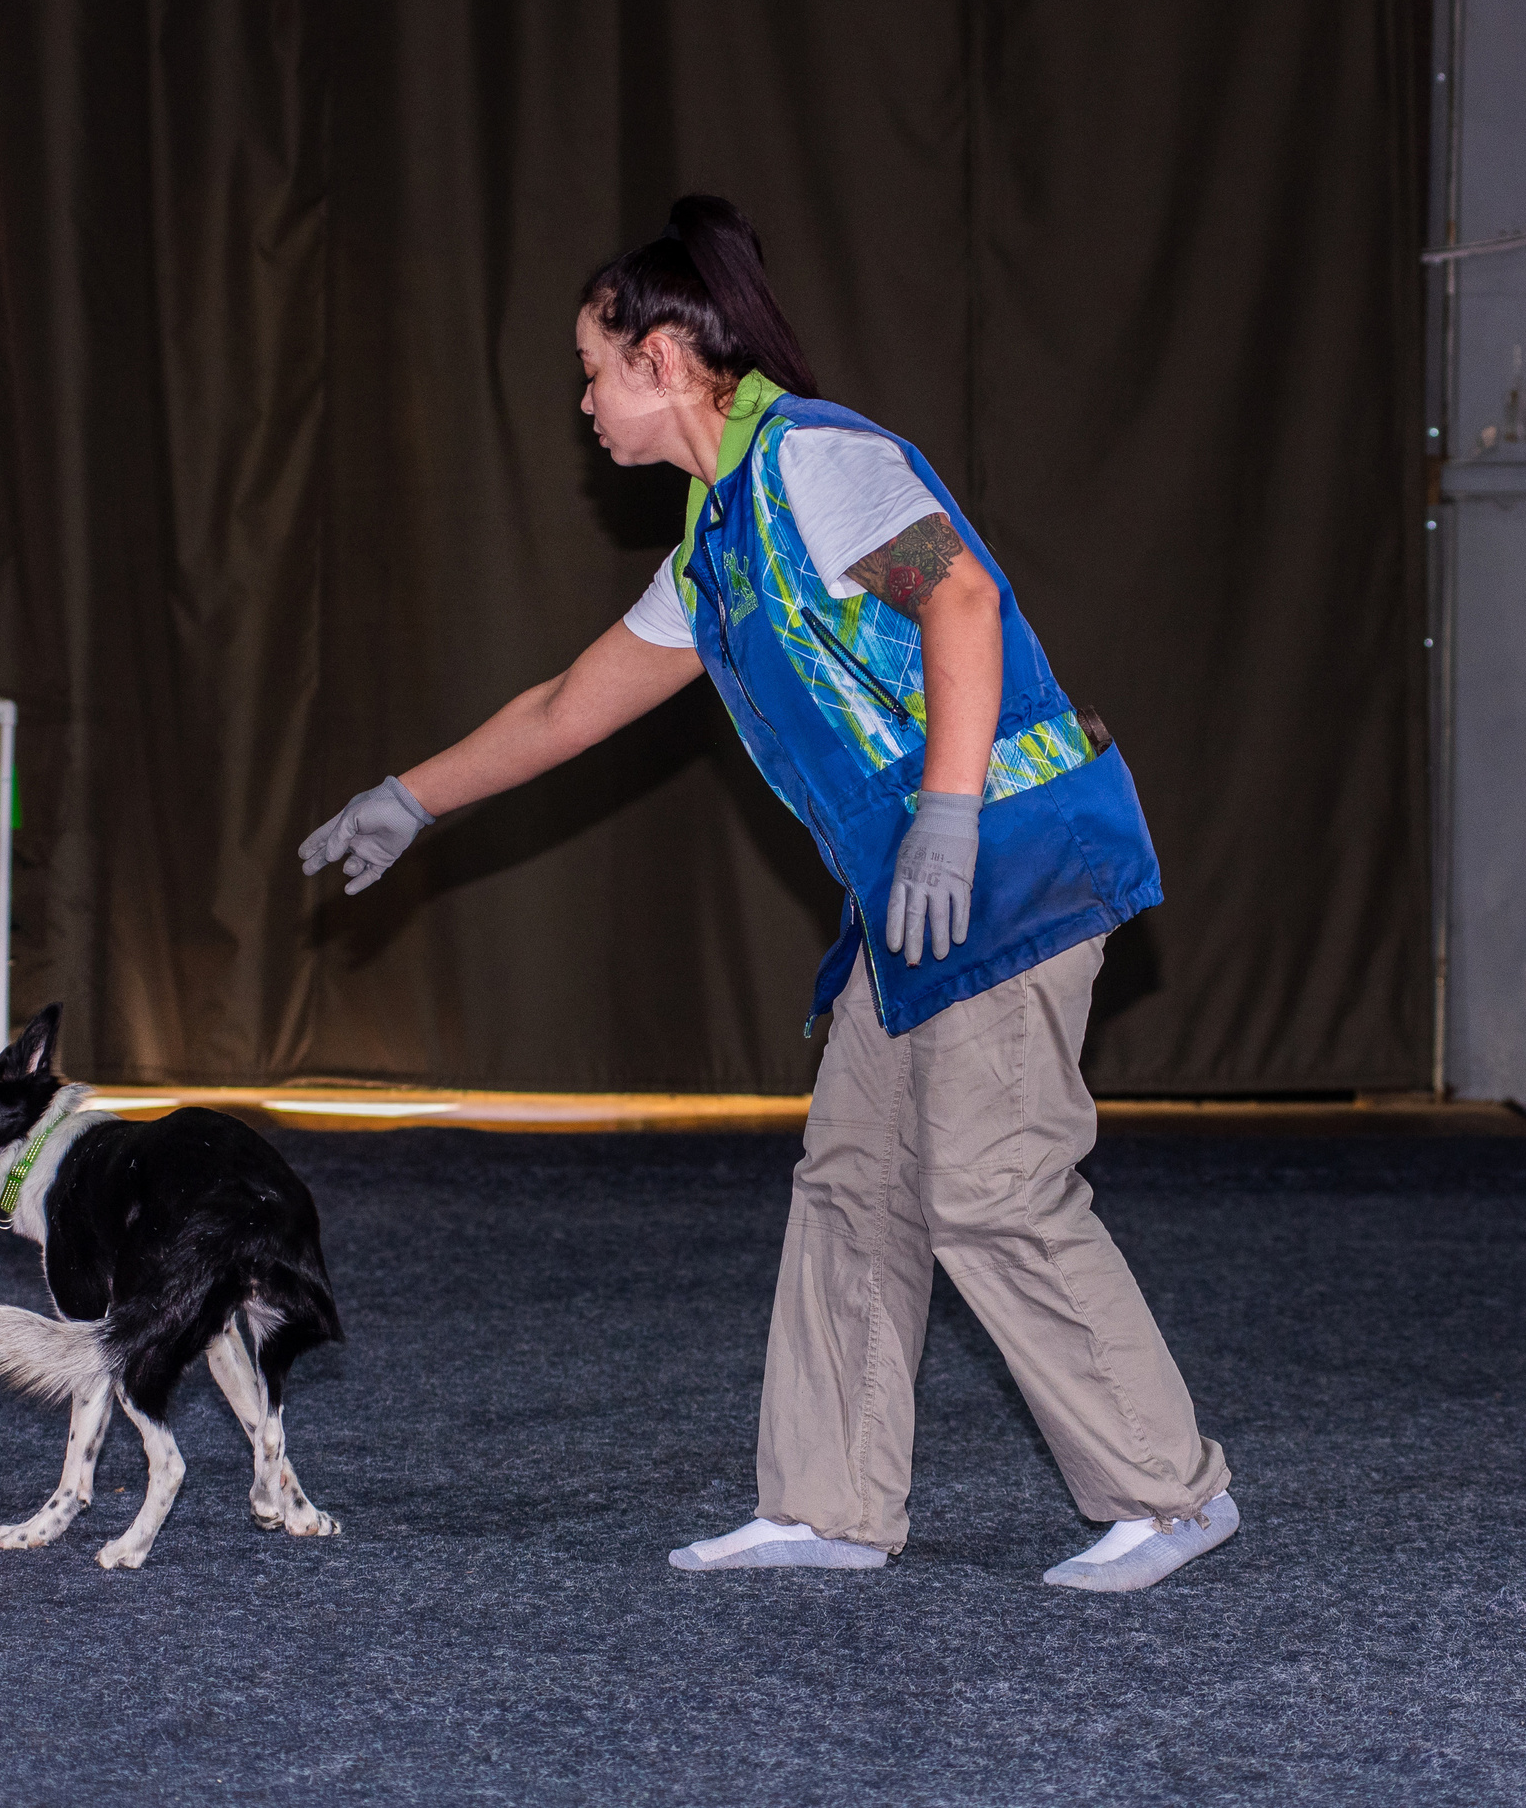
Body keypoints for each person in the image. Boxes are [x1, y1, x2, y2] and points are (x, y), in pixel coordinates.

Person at [298, 196, 1235, 1593]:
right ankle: (832, 1505)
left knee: (990, 1187)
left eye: (597, 370)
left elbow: (960, 601)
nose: (586, 401)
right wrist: (415, 795)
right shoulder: (722, 543)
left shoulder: (820, 465)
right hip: (917, 893)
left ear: (667, 360)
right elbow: (566, 706)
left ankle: (1172, 1493)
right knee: (857, 1182)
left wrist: (949, 811)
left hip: (1012, 863)